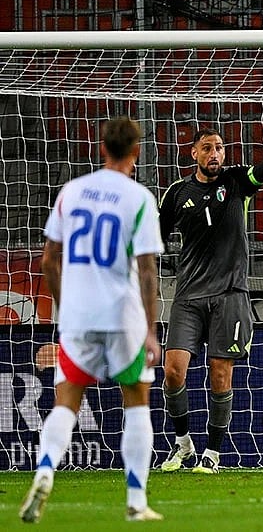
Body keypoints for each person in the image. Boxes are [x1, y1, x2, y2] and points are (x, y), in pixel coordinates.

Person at [21, 117, 164, 523]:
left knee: (66, 402)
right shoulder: (139, 198)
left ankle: (45, 470)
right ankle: (136, 501)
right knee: (136, 403)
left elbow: (49, 261)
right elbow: (148, 270)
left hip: (79, 316)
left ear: (101, 148)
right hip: (123, 316)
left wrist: (67, 307)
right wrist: (151, 330)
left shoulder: (71, 192)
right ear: (136, 151)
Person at [158, 120, 263, 473]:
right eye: (207, 148)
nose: (214, 154)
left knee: (220, 375)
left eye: (219, 148)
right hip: (188, 296)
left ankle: (213, 453)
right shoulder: (177, 192)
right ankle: (183, 444)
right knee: (173, 371)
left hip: (230, 295)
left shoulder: (236, 182)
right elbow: (156, 237)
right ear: (194, 153)